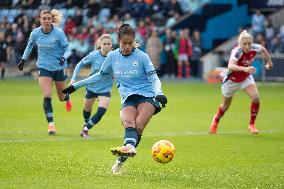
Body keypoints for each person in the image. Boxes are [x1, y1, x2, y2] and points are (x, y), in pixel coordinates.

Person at [62, 24, 167, 174]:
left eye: (130, 43)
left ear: (134, 41)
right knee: (128, 123)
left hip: (147, 96)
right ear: (119, 41)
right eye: (124, 43)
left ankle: (123, 155)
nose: (127, 46)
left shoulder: (142, 57)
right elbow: (99, 75)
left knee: (138, 126)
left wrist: (159, 93)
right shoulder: (112, 56)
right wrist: (75, 86)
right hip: (128, 98)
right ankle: (125, 153)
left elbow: (154, 78)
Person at [17, 9, 72, 135]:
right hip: (44, 67)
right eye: (44, 19)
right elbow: (30, 46)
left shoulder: (58, 33)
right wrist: (23, 60)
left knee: (62, 97)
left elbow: (67, 48)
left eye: (49, 18)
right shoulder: (35, 33)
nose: (47, 21)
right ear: (40, 20)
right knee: (47, 95)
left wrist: (64, 57)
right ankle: (51, 125)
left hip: (59, 68)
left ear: (52, 20)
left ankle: (68, 98)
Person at [209, 30, 273, 134]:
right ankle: (216, 119)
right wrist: (244, 69)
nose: (247, 46)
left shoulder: (254, 47)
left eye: (249, 43)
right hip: (231, 80)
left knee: (256, 98)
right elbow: (230, 66)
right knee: (225, 106)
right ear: (239, 44)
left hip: (245, 78)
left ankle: (252, 124)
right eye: (244, 44)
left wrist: (269, 62)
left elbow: (263, 49)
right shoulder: (237, 51)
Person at [69, 34, 113, 138]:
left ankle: (85, 129)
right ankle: (86, 124)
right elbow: (80, 64)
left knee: (101, 111)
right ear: (100, 44)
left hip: (105, 89)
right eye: (104, 44)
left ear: (111, 45)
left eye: (109, 44)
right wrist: (73, 79)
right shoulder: (93, 55)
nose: (106, 46)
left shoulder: (115, 56)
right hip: (92, 87)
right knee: (87, 110)